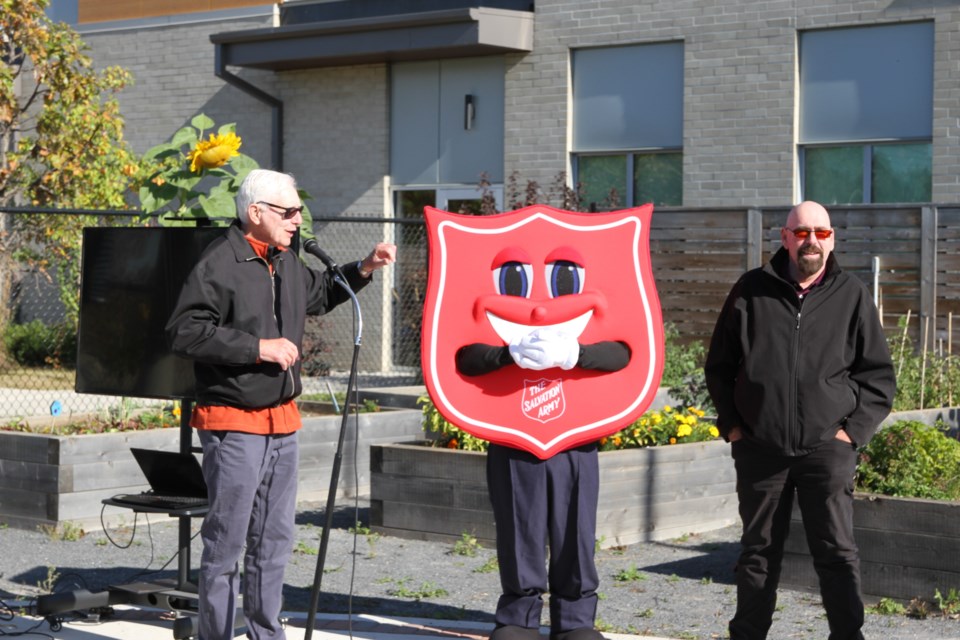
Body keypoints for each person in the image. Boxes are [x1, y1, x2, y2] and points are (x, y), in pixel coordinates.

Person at [166, 168, 396, 640]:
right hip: (233, 424)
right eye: (288, 211)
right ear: (256, 213)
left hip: (283, 425)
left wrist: (365, 267)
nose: (297, 219)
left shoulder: (286, 261)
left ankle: (266, 634)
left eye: (298, 211)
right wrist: (258, 348)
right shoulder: (218, 264)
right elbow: (184, 332)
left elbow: (320, 292)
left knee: (273, 542)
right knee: (226, 544)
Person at [704, 200, 896, 640]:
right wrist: (733, 425)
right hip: (759, 447)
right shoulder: (751, 290)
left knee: (836, 553)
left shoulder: (851, 294)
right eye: (802, 232)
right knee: (757, 553)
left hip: (827, 448)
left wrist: (852, 434)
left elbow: (878, 376)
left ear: (832, 240)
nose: (812, 240)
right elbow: (720, 364)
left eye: (821, 233)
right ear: (785, 238)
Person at [456, 333, 630, 640]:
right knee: (518, 530)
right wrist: (507, 353)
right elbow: (461, 355)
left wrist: (578, 352)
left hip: (576, 432)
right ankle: (519, 617)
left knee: (576, 532)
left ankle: (575, 620)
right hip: (511, 430)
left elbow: (625, 352)